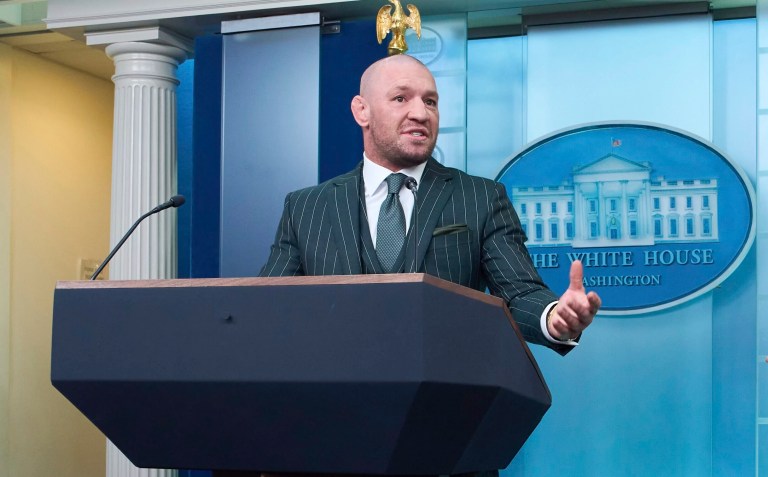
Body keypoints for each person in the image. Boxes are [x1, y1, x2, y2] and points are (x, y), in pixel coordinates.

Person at [261, 53, 601, 355]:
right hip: (334, 408)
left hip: (444, 406)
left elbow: (519, 293)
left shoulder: (481, 197)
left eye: (431, 102)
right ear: (361, 111)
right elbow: (265, 309)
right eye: (401, 98)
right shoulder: (305, 207)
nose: (420, 113)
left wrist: (554, 318)